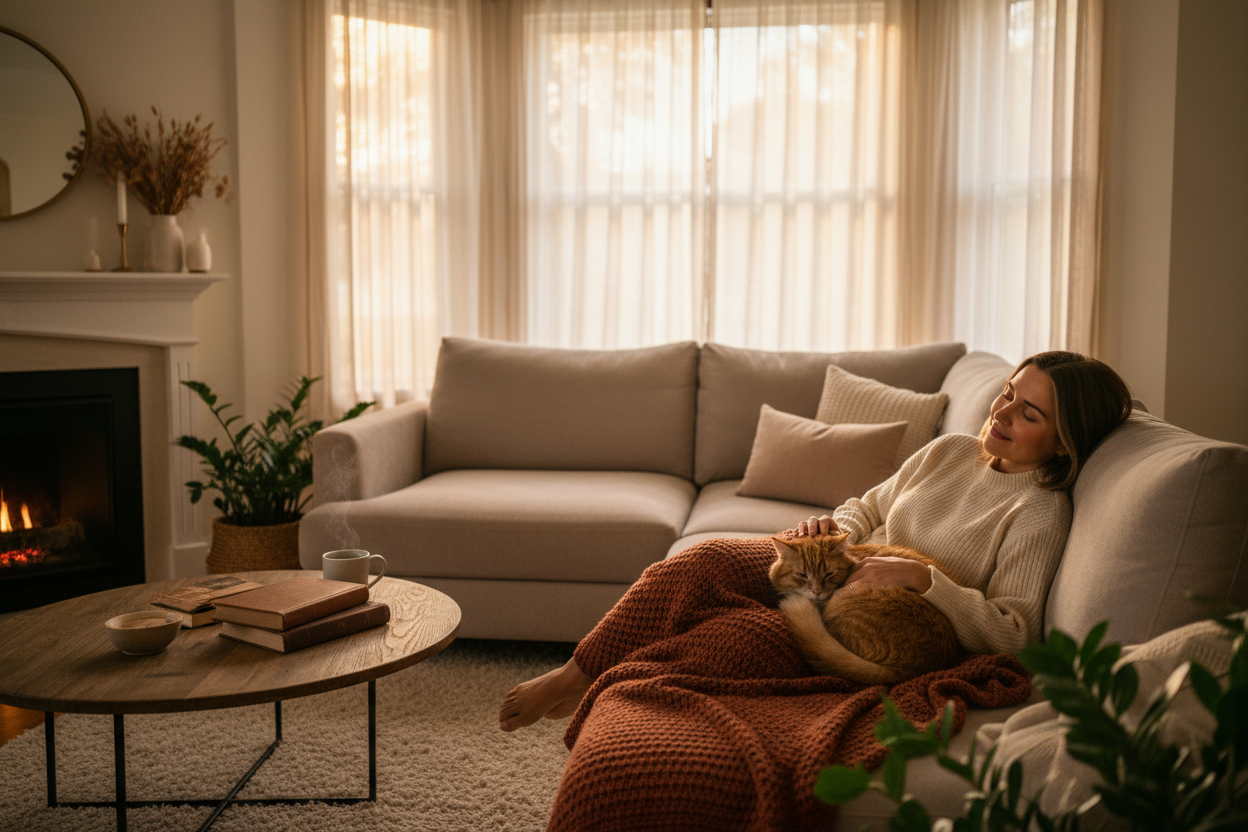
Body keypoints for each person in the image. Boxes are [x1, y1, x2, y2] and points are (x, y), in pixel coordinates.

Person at [499, 351, 1133, 732]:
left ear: (1065, 439)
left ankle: (608, 688)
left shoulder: (1039, 514)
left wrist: (924, 583)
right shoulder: (949, 451)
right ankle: (572, 674)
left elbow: (1017, 635)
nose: (1000, 416)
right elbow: (868, 505)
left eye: (1028, 414)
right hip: (835, 563)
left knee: (725, 641)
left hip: (879, 617)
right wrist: (833, 530)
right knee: (701, 560)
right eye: (1006, 396)